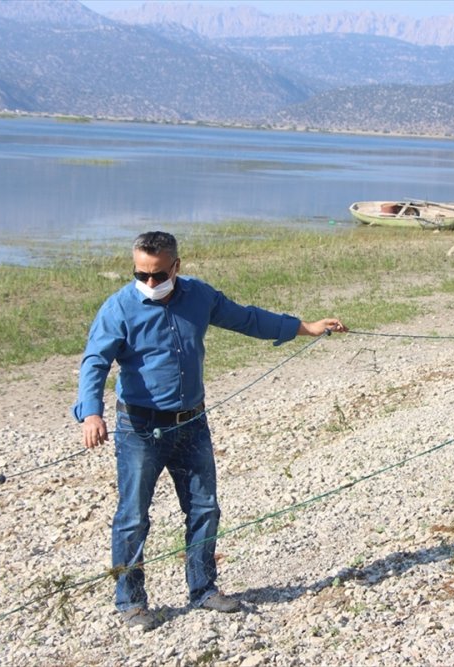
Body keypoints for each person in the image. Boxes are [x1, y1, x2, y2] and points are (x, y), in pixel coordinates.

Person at [72, 231, 347, 631]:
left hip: (191, 424)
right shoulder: (118, 308)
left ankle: (203, 589)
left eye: (158, 274)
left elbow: (247, 318)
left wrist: (304, 327)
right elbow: (94, 361)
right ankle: (130, 601)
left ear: (176, 267)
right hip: (139, 428)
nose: (150, 282)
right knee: (132, 517)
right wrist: (91, 414)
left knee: (204, 509)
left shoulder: (199, 297)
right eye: (141, 274)